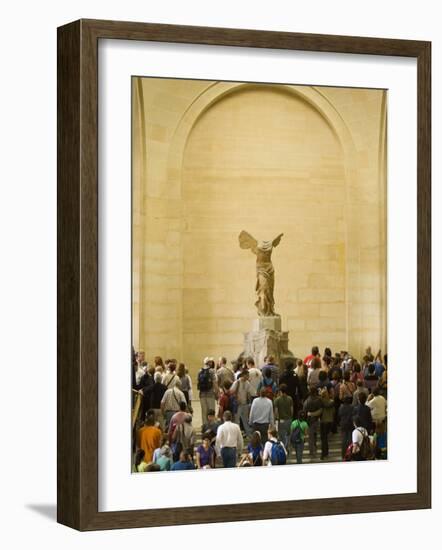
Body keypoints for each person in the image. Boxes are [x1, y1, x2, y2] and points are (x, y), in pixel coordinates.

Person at [197, 357, 219, 430]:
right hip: (210, 394)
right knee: (211, 411)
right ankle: (212, 427)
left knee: (204, 412)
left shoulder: (199, 371)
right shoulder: (212, 371)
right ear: (209, 363)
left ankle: (205, 427)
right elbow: (214, 383)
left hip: (202, 395)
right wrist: (217, 392)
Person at [303, 387, 323, 457]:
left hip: (309, 421)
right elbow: (321, 410)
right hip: (317, 420)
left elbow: (304, 412)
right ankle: (315, 446)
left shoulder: (306, 401)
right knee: (315, 435)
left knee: (310, 437)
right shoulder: (318, 400)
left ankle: (311, 451)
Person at [231, 370, 252, 436]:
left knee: (245, 420)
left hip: (245, 404)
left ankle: (249, 434)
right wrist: (237, 398)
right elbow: (231, 392)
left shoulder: (247, 383)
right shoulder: (236, 382)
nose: (248, 377)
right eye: (247, 375)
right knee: (237, 420)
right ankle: (236, 435)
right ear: (243, 375)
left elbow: (249, 392)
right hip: (238, 405)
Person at [273, 383, 293, 450]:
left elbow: (276, 411)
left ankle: (283, 448)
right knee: (288, 434)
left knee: (281, 436)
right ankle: (287, 446)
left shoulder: (277, 400)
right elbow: (291, 410)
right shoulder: (290, 398)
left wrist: (277, 418)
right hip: (289, 420)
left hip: (281, 420)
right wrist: (290, 416)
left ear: (280, 391)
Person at [319, 386, 335, 460]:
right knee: (325, 438)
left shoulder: (321, 402)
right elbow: (334, 412)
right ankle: (326, 452)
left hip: (323, 421)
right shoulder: (332, 401)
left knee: (323, 438)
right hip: (330, 421)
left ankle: (323, 453)